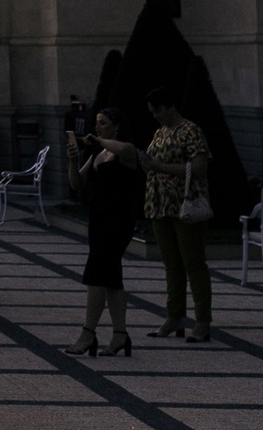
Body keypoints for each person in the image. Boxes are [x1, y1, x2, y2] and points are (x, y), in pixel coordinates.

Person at [64, 108, 144, 356]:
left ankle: (88, 333)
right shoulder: (98, 153)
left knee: (96, 274)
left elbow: (124, 151)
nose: (97, 127)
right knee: (111, 277)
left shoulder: (127, 150)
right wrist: (72, 159)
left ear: (116, 126)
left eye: (103, 123)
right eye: (97, 123)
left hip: (118, 221)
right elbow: (77, 183)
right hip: (98, 220)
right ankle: (120, 334)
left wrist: (98, 141)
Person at [141, 86, 214, 342]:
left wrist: (160, 167)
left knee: (193, 262)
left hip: (185, 204)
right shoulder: (161, 132)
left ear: (170, 106)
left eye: (158, 110)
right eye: (152, 112)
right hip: (160, 205)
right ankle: (174, 317)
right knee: (172, 265)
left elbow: (199, 167)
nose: (155, 116)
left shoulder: (190, 131)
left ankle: (202, 321)